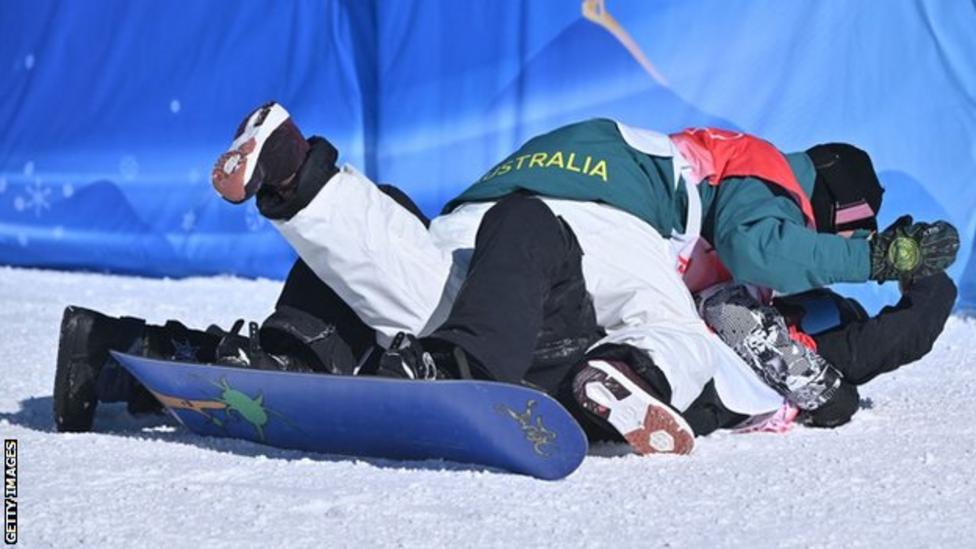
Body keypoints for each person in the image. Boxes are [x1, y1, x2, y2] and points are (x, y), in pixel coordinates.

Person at [55, 102, 960, 458]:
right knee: (685, 337)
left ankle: (300, 184)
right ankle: (625, 380)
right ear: (830, 194)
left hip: (488, 212)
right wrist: (887, 262)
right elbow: (766, 254)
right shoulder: (760, 168)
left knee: (414, 287)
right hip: (604, 227)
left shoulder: (646, 142)